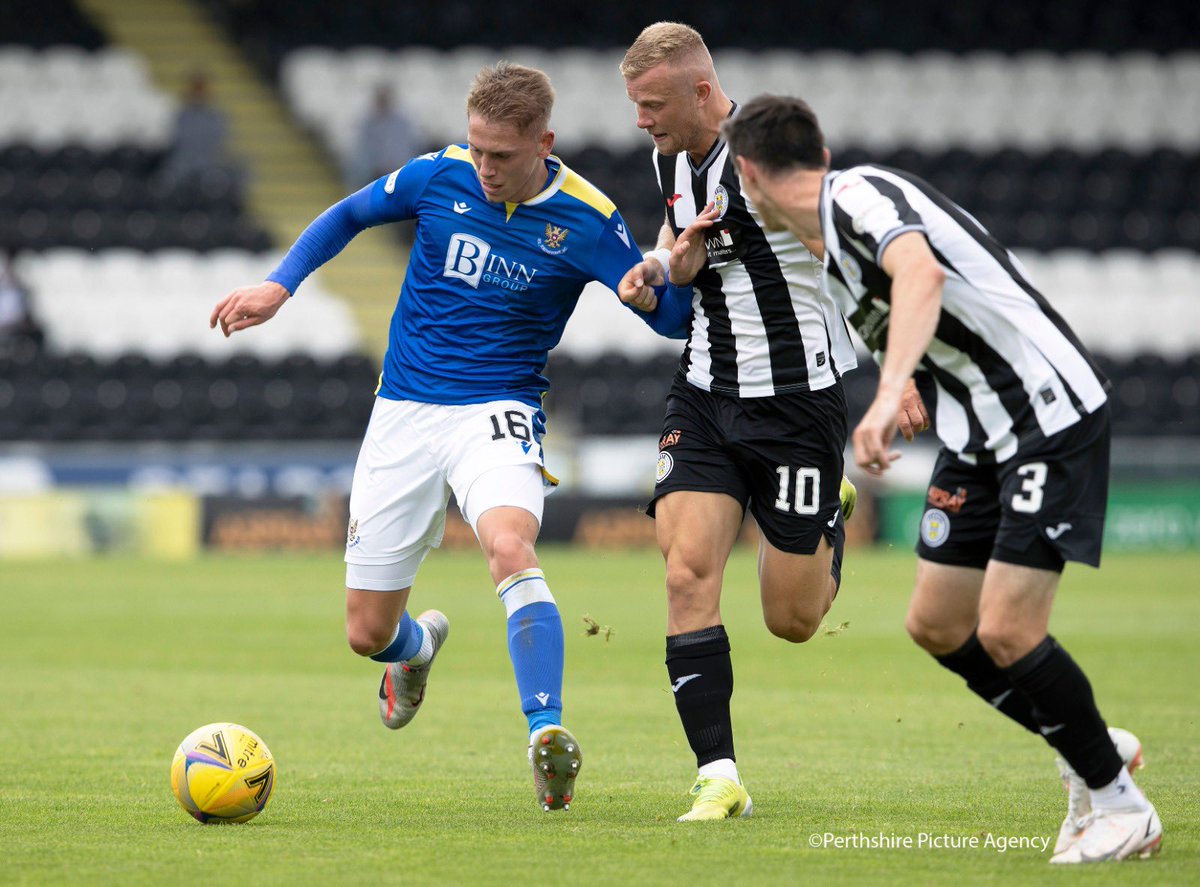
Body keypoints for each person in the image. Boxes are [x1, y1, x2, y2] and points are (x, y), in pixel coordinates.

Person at [209, 62, 691, 813]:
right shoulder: (440, 174)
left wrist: (658, 285)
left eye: (501, 155)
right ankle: (416, 651)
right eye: (477, 149)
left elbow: (672, 320)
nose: (484, 167)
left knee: (509, 546)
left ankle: (546, 732)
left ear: (544, 144)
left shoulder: (588, 219)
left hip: (497, 411)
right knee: (367, 632)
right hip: (402, 410)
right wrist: (282, 283)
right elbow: (348, 214)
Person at [722, 94, 1161, 863]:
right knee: (937, 622)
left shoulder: (857, 198)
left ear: (749, 173)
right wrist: (914, 378)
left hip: (1043, 414)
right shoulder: (827, 243)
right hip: (977, 432)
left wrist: (890, 389)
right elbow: (920, 308)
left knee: (1008, 629)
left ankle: (1123, 805)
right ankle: (1093, 745)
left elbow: (921, 274)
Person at [616, 22, 925, 823]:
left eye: (653, 105)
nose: (641, 121)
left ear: (702, 92)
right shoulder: (668, 158)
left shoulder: (766, 159)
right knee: (686, 573)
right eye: (636, 106)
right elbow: (681, 238)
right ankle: (718, 774)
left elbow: (848, 256)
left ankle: (829, 514)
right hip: (703, 393)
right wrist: (661, 267)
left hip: (796, 407)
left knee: (792, 620)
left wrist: (899, 371)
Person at [159, 72, 230, 186]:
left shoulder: (214, 118)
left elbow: (219, 146)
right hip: (180, 171)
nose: (198, 94)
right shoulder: (179, 116)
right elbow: (170, 142)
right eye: (195, 89)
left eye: (200, 90)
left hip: (206, 172)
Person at [346, 85, 422, 189]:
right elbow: (364, 149)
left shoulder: (402, 121)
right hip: (376, 173)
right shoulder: (368, 122)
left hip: (398, 171)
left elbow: (409, 146)